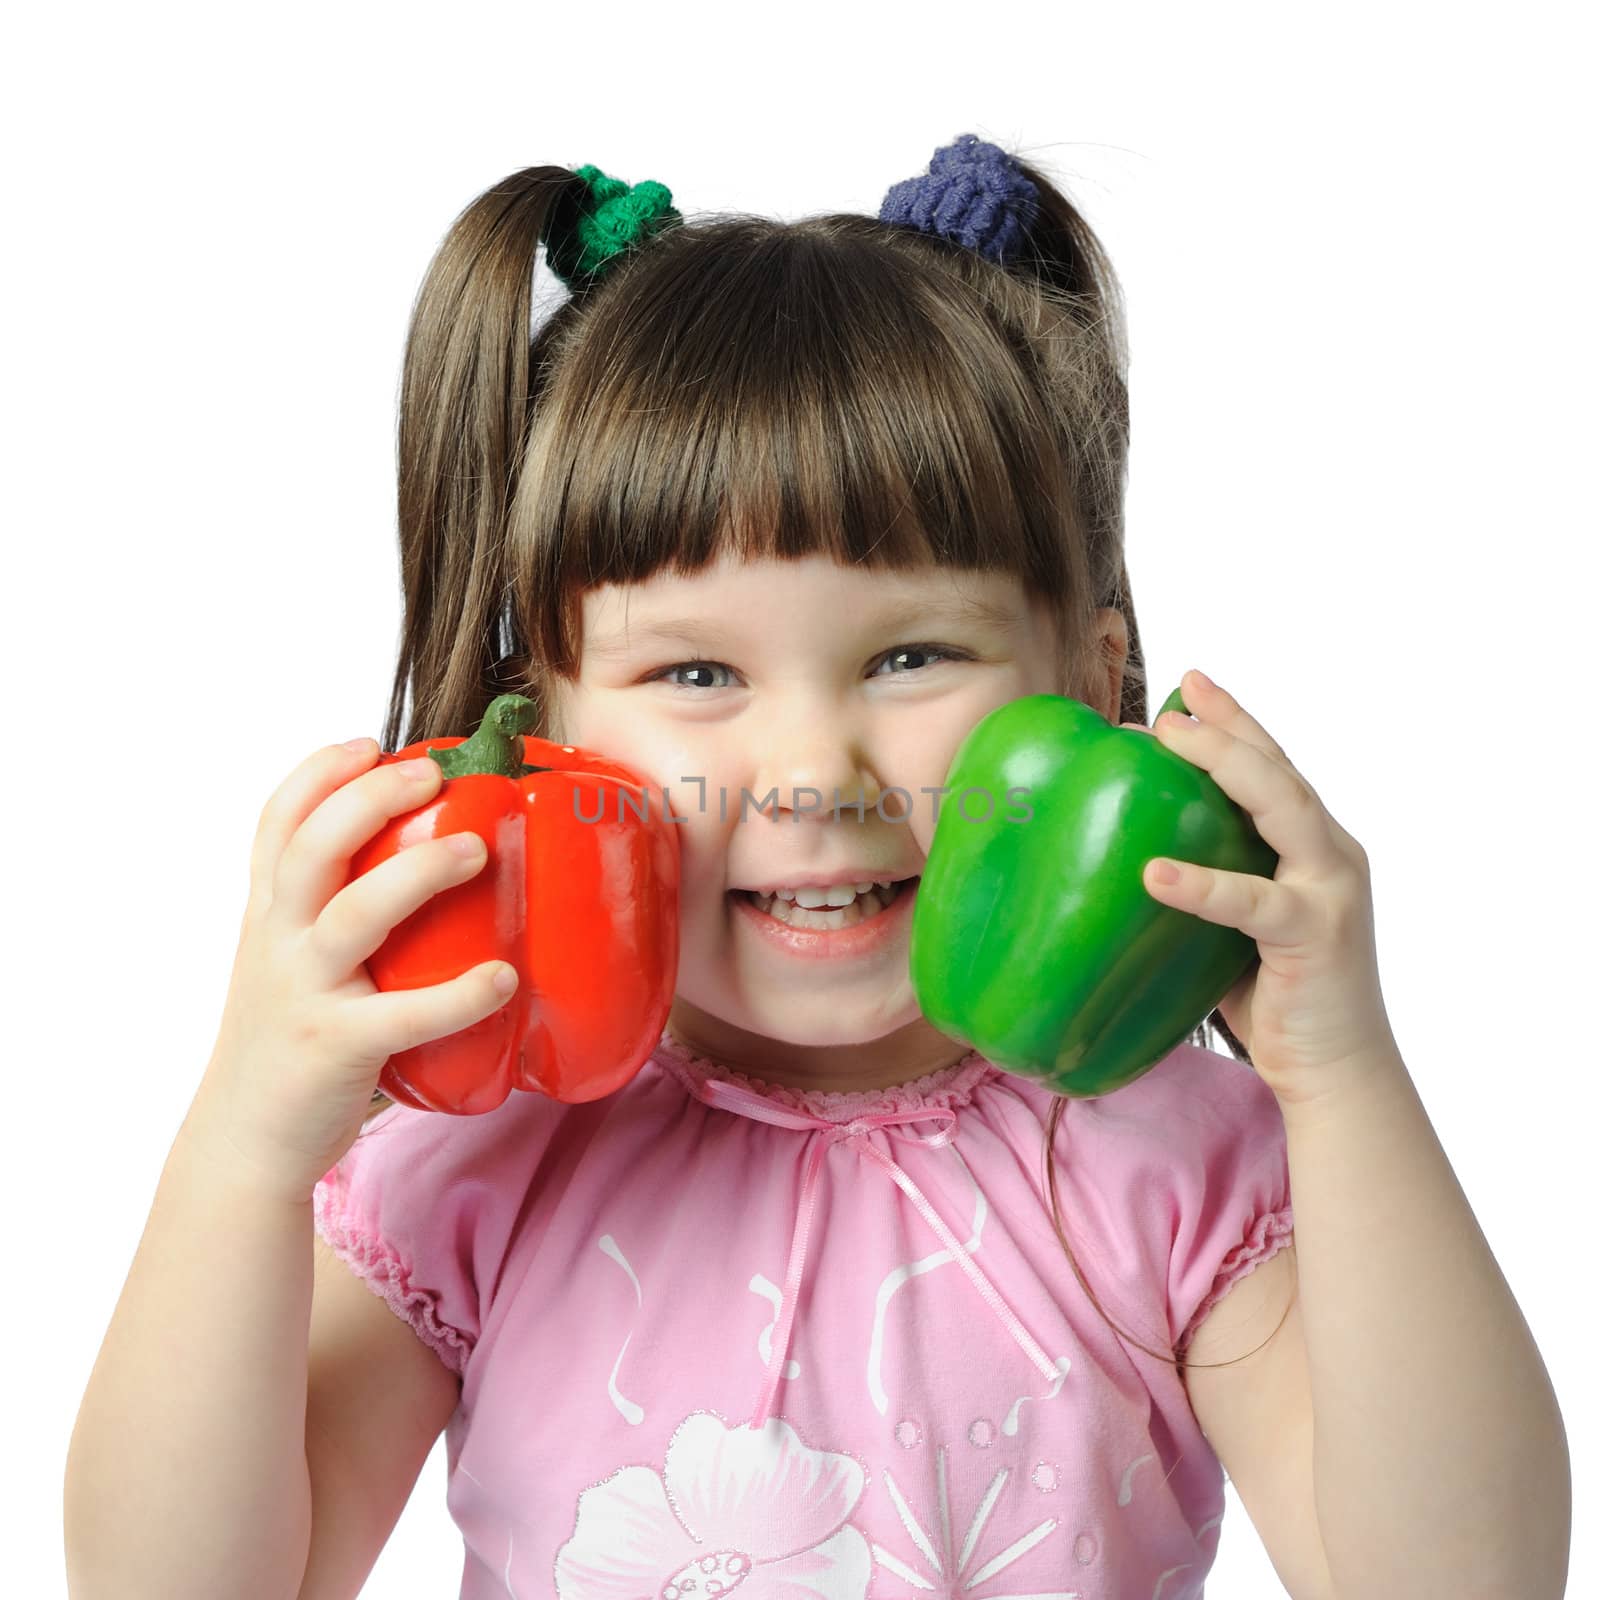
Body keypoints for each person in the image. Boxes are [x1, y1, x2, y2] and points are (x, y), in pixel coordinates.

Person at [64, 136, 1570, 1600]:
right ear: (555, 727)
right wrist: (244, 1152)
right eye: (699, 674)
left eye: (910, 654)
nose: (811, 772)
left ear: (1092, 678)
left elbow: (1462, 1580)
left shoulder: (1165, 1157)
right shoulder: (490, 1156)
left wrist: (1346, 1076)